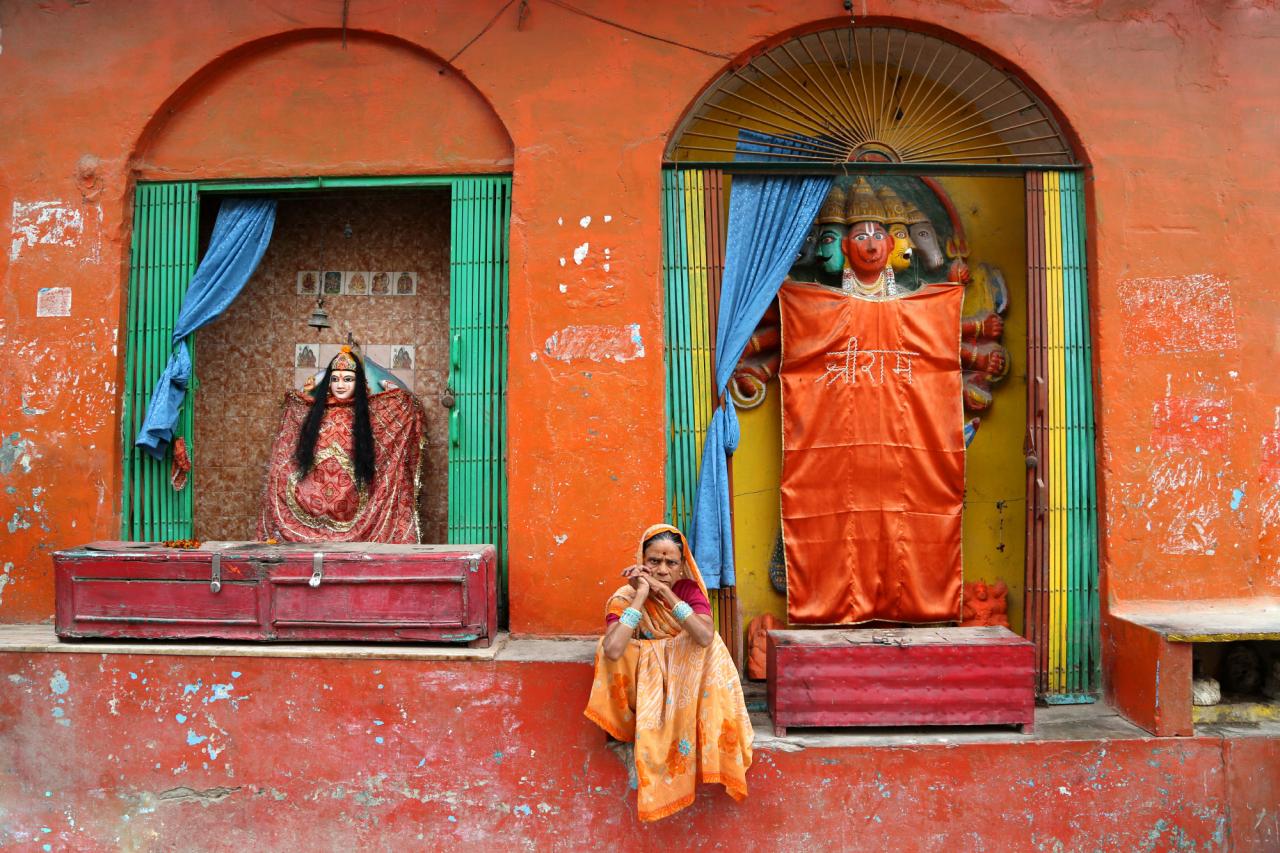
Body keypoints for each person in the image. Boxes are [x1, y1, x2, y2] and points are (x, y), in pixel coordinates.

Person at [584, 524, 754, 822]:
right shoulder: (624, 597)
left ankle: (704, 722)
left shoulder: (688, 591)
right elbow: (612, 650)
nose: (662, 569)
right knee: (608, 645)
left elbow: (703, 637)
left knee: (709, 641)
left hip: (689, 687)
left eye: (670, 563)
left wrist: (665, 593)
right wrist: (640, 597)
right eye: (654, 561)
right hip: (649, 691)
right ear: (641, 560)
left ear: (681, 566)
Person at [257, 345, 427, 543]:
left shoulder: (371, 413)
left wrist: (396, 393)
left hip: (358, 503)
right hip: (312, 499)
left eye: (348, 379)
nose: (340, 385)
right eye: (335, 379)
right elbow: (293, 412)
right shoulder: (313, 411)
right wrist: (305, 392)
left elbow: (407, 408)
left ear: (359, 382)